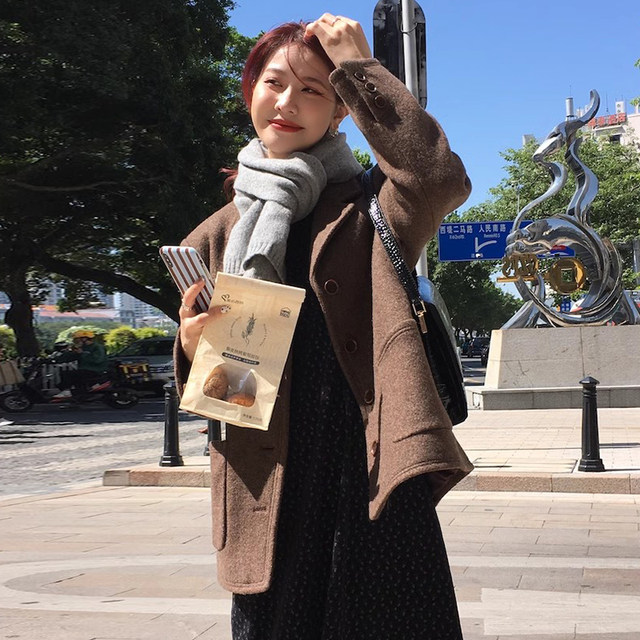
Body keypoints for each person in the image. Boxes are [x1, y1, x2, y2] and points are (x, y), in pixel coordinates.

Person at [175, 14, 473, 639]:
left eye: (313, 89)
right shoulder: (220, 235)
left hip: (370, 473)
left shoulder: (371, 206)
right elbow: (231, 397)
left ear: (340, 111)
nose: (287, 102)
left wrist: (360, 68)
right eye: (274, 83)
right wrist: (194, 348)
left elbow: (438, 179)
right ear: (250, 92)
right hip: (272, 487)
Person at [53, 330, 109, 398]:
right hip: (84, 369)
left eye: (78, 339)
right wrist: (55, 360)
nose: (76, 341)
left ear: (84, 338)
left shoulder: (97, 347)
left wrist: (82, 353)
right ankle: (78, 395)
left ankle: (67, 391)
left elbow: (97, 360)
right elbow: (70, 357)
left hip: (96, 370)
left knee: (69, 374)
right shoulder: (82, 347)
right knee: (69, 374)